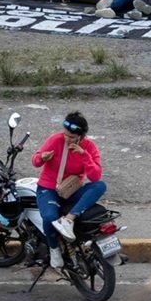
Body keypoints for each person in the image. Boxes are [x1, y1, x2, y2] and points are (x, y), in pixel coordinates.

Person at [31, 111, 105, 269]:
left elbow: (95, 177)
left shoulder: (89, 147)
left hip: (70, 190)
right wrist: (42, 157)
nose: (67, 139)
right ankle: (54, 249)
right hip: (49, 188)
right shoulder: (55, 139)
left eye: (72, 137)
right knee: (49, 216)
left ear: (81, 136)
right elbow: (35, 161)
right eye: (65, 135)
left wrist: (84, 156)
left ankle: (69, 219)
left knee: (100, 186)